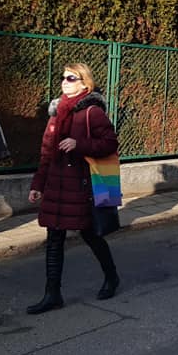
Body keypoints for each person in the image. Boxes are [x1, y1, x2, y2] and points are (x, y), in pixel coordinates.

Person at [27, 63, 121, 314]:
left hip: (81, 185)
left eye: (71, 77)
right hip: (56, 184)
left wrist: (79, 144)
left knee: (91, 234)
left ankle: (111, 277)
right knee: (54, 238)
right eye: (63, 77)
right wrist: (38, 184)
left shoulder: (92, 112)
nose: (65, 81)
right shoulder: (57, 113)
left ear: (85, 84)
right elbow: (47, 153)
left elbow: (110, 143)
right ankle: (52, 294)